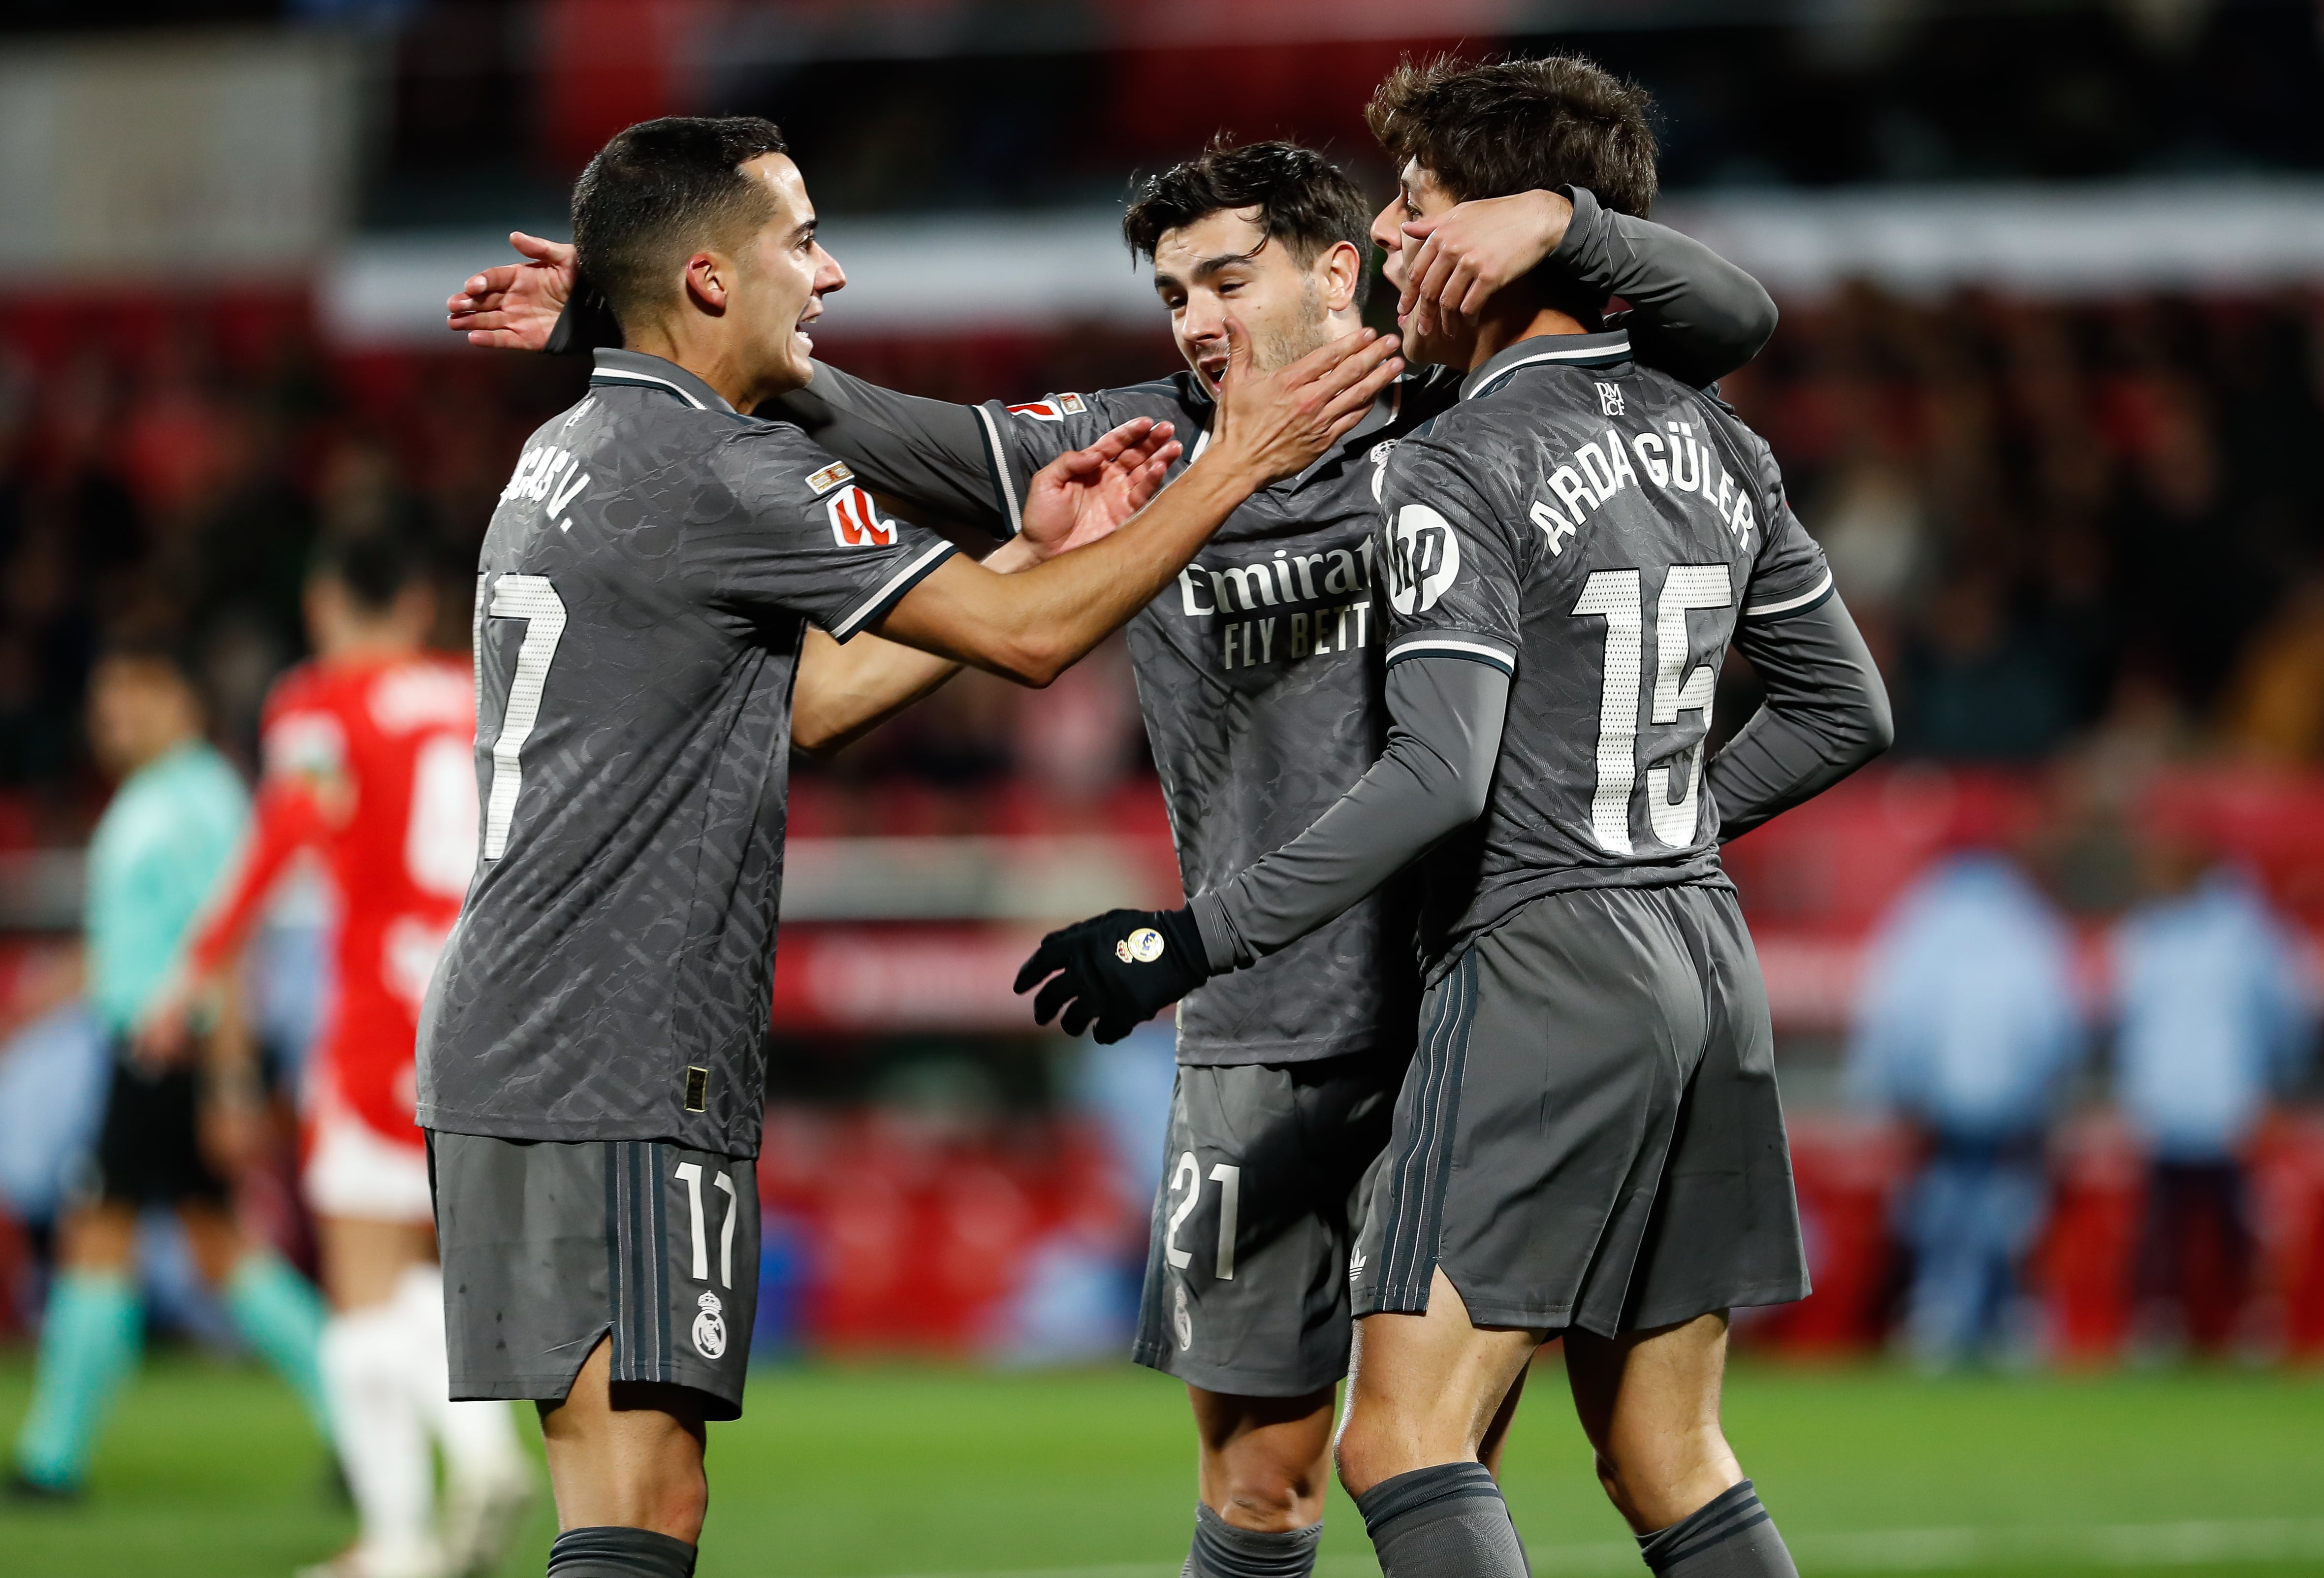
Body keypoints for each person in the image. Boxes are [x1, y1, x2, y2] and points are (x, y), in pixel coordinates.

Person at [447, 134, 1778, 1578]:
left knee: (1439, 1444)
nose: (1196, 320)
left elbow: (1721, 327)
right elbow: (914, 452)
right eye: (1170, 293)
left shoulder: (1454, 415)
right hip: (1251, 1039)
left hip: (1453, 1019)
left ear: (1341, 274)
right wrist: (651, 307)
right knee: (1261, 1480)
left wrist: (1560, 220)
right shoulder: (1145, 431)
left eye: (1226, 278)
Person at [417, 114, 1400, 1578]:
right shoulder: (726, 471)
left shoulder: (569, 448)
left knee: (617, 1491)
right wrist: (1232, 464)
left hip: (513, 1030)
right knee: (642, 1506)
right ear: (704, 281)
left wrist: (1022, 548)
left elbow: (800, 703)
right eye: (796, 243)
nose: (827, 275)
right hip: (616, 1043)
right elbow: (1032, 643)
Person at [1019, 57, 1891, 1578]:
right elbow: (1845, 711)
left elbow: (1438, 777)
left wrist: (1190, 936)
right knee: (1667, 1452)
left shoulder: (1452, 460)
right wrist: (1644, 821)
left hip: (1542, 965)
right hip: (1702, 954)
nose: (1396, 250)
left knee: (1401, 1440)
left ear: (1499, 238)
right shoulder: (1713, 432)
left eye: (1417, 214)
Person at [156, 532, 533, 1578]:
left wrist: (198, 963)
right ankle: (409, 1524)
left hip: (381, 1013)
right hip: (494, 1004)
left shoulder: (319, 701)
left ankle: (450, 1481)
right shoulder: (481, 690)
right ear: (419, 601)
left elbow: (286, 826)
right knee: (422, 1270)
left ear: (325, 603)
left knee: (362, 1287)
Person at [10, 639, 333, 1499]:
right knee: (218, 1251)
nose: (116, 717)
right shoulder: (155, 798)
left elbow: (225, 947)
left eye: (138, 697)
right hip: (151, 1052)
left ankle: (53, 1459)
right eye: (108, 701)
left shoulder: (194, 802)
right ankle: (354, 1425)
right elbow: (143, 939)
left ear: (184, 705)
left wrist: (229, 1082)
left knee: (107, 1240)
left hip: (177, 1054)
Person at [1848, 849, 2082, 1367]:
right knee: (2009, 1208)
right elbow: (2055, 1021)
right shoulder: (2029, 923)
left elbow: (1897, 1012)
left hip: (1942, 1099)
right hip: (2013, 1101)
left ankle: (1941, 1315)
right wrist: (2049, 1089)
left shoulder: (1922, 919)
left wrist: (1896, 1088)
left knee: (1943, 1209)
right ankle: (2009, 1317)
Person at [2109, 807, 2319, 1355]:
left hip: (2231, 1103)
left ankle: (2253, 1323)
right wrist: (2136, 1091)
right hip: (2165, 1105)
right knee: (2162, 1228)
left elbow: (2285, 1016)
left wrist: (2275, 1085)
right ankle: (2160, 1324)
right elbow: (2132, 1023)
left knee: (2237, 1229)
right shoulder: (2146, 932)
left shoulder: (2247, 933)